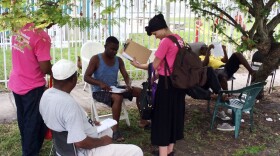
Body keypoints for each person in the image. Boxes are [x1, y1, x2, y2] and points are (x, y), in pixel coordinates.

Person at [39, 59, 143, 156]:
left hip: (62, 148)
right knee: (136, 151)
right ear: (73, 79)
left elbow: (62, 122)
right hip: (84, 151)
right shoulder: (68, 104)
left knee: (108, 130)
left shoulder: (46, 95)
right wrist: (102, 142)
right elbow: (80, 142)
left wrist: (87, 122)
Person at [131, 13, 186, 156]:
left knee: (162, 119)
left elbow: (154, 65)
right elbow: (168, 64)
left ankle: (162, 153)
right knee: (173, 117)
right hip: (178, 85)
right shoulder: (179, 40)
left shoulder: (166, 42)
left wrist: (138, 65)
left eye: (155, 33)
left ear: (161, 29)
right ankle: (169, 151)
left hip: (166, 86)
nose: (155, 36)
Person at [84, 36, 148, 142]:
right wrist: (100, 84)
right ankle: (115, 130)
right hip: (100, 91)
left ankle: (143, 120)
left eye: (116, 49)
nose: (114, 52)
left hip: (115, 88)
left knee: (140, 92)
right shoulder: (96, 59)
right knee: (117, 98)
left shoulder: (118, 60)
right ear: (105, 47)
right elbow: (86, 77)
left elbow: (126, 76)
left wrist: (128, 84)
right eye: (112, 49)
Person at [8, 20, 53, 155]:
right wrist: (54, 72)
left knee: (24, 120)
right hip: (32, 87)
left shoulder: (20, 27)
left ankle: (28, 148)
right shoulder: (42, 36)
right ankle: (29, 152)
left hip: (17, 83)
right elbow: (44, 67)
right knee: (33, 124)